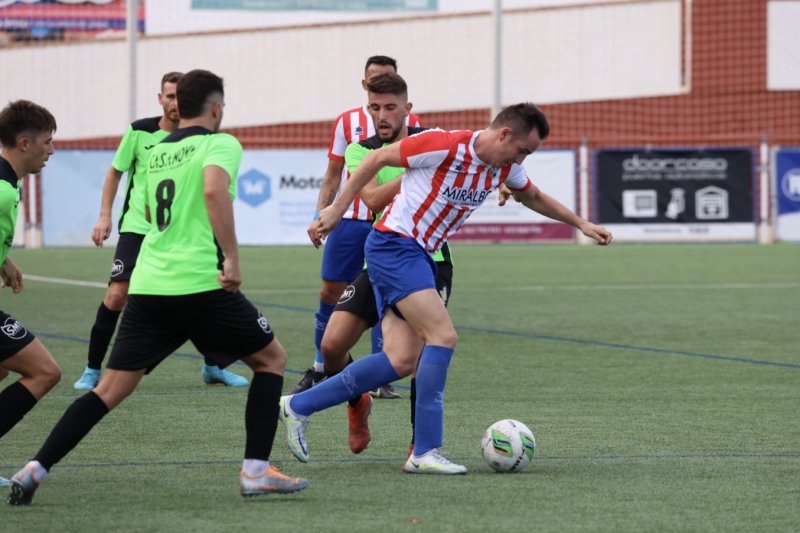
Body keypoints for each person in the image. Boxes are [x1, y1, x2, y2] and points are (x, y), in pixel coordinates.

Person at [8, 70, 308, 505]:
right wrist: (233, 259)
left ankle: (36, 467)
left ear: (177, 106)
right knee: (272, 359)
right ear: (216, 107)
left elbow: (148, 208)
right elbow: (212, 191)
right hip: (201, 284)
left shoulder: (155, 154)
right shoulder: (220, 143)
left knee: (107, 391)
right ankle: (256, 471)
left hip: (149, 286)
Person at [279, 102, 612, 474]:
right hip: (394, 245)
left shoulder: (504, 166)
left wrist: (580, 223)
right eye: (522, 150)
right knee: (442, 336)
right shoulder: (444, 144)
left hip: (419, 254)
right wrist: (337, 209)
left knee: (401, 360)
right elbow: (375, 160)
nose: (522, 159)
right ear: (504, 134)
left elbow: (532, 195)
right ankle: (424, 451)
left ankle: (299, 406)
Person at [73, 71, 248, 391]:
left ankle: (215, 365)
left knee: (209, 289)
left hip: (187, 229)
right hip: (140, 227)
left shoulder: (203, 141)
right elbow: (115, 172)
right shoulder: (140, 132)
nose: (174, 103)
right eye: (169, 97)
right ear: (160, 99)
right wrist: (104, 216)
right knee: (117, 294)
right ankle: (92, 368)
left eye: (179, 97)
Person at [318, 73, 454, 456]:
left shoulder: (435, 141)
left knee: (425, 350)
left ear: (407, 109)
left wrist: (504, 183)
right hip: (380, 258)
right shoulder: (362, 151)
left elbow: (478, 162)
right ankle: (358, 402)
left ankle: (420, 445)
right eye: (374, 107)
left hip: (429, 259)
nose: (382, 115)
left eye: (390, 107)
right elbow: (374, 198)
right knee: (331, 346)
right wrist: (417, 168)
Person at [293, 55, 423, 397]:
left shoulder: (416, 125)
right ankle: (323, 365)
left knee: (389, 297)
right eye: (374, 80)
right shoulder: (347, 124)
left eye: (389, 77)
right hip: (351, 221)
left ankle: (380, 374)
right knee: (330, 293)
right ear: (364, 85)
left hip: (394, 226)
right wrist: (321, 214)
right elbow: (333, 175)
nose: (383, 111)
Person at [0, 100, 61, 488]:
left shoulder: (10, 182)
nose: (51, 150)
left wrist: (4, 262)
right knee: (45, 372)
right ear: (25, 143)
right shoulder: (3, 191)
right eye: (48, 142)